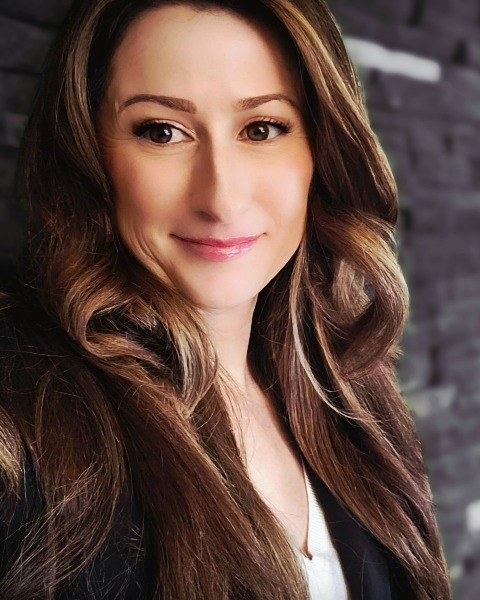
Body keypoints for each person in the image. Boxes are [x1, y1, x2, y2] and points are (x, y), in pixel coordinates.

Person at [0, 0, 451, 598]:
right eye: (161, 131)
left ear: (321, 149)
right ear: (88, 152)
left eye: (261, 129)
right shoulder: (21, 418)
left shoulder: (351, 396)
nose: (220, 198)